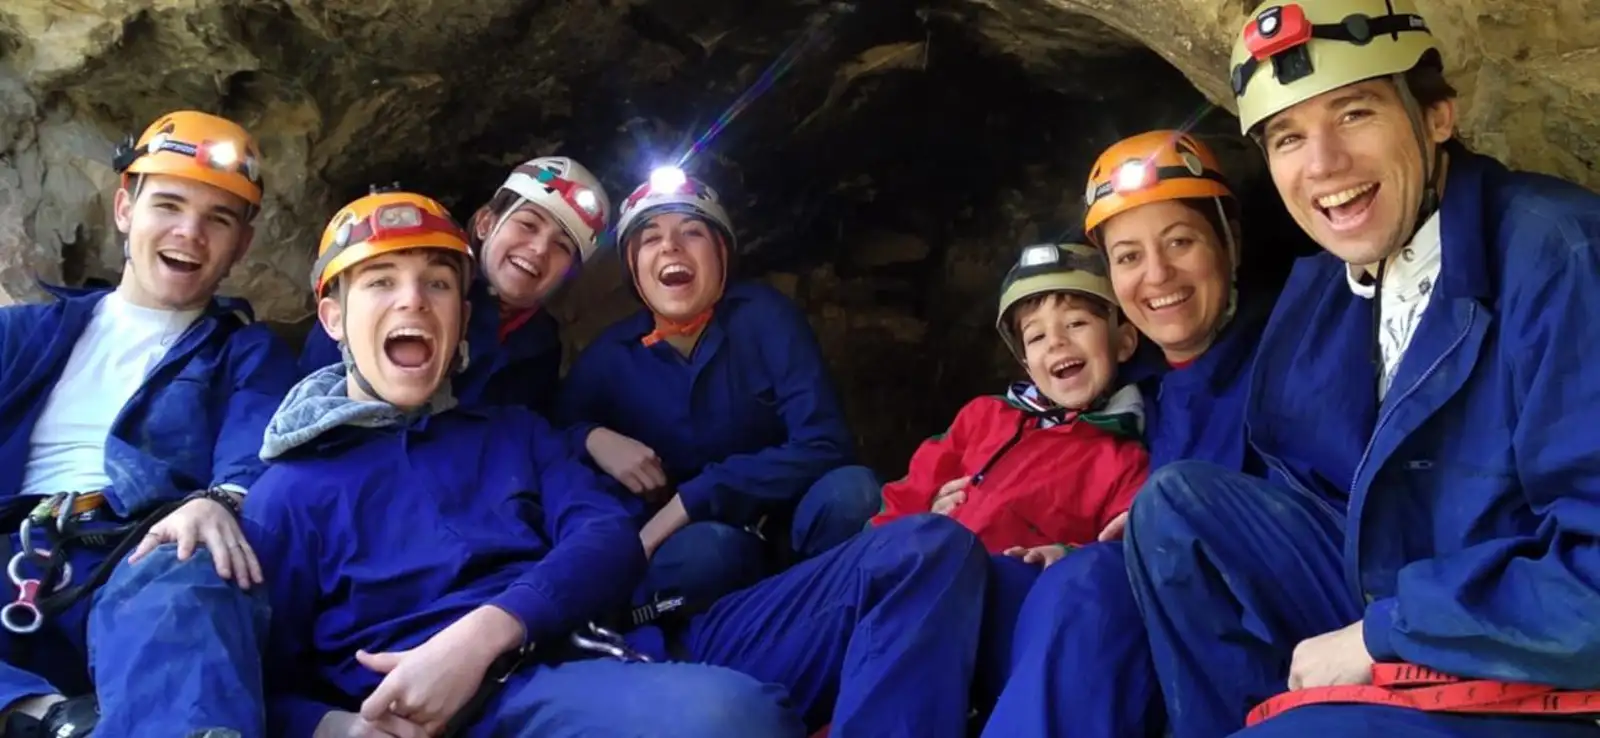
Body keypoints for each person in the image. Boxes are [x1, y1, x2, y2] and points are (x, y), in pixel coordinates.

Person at [243, 187, 989, 738]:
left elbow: (606, 536)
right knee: (732, 718)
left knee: (927, 548)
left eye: (438, 284)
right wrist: (340, 730)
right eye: (381, 283)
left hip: (635, 640)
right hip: (502, 703)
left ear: (464, 316)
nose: (415, 303)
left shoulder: (513, 433)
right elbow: (258, 680)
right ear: (333, 317)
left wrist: (488, 629)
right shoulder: (290, 493)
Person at [1125, 0, 1600, 736]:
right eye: (1288, 137)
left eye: (1354, 114)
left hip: (1533, 667)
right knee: (1176, 510)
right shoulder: (1321, 289)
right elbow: (1301, 486)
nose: (1323, 166)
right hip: (1400, 588)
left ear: (1437, 116)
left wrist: (1381, 635)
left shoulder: (1559, 258)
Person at [0, 110, 298, 737]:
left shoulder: (246, 354)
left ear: (242, 245)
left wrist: (217, 501)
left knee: (196, 567)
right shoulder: (19, 335)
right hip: (11, 549)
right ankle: (45, 716)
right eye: (168, 204)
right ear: (124, 209)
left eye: (219, 218)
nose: (189, 233)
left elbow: (256, 447)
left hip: (136, 557)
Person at [979, 131, 1275, 738]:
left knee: (1088, 585)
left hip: (1243, 634)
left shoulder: (1287, 352)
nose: (1157, 274)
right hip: (1121, 622)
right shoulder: (1131, 390)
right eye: (1129, 257)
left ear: (1230, 242)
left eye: (1180, 241)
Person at [556, 166, 882, 603]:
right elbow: (546, 434)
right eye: (650, 238)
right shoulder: (612, 357)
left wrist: (695, 496)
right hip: (707, 547)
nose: (670, 245)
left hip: (789, 522)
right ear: (633, 268)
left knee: (853, 493)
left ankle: (830, 615)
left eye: (692, 233)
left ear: (721, 256)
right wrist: (591, 437)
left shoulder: (765, 318)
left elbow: (825, 443)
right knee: (705, 557)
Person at [869, 239, 1147, 710]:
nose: (1056, 342)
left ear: (1123, 340)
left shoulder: (1123, 455)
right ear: (1024, 363)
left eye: (1077, 323)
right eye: (1036, 336)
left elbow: (1124, 550)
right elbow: (899, 502)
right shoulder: (983, 417)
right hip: (920, 597)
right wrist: (917, 528)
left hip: (1010, 611)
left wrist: (1067, 553)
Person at [298, 156, 610, 417]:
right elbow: (310, 398)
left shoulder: (541, 346)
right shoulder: (400, 302)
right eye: (528, 225)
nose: (540, 249)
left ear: (569, 273)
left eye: (562, 247)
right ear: (486, 223)